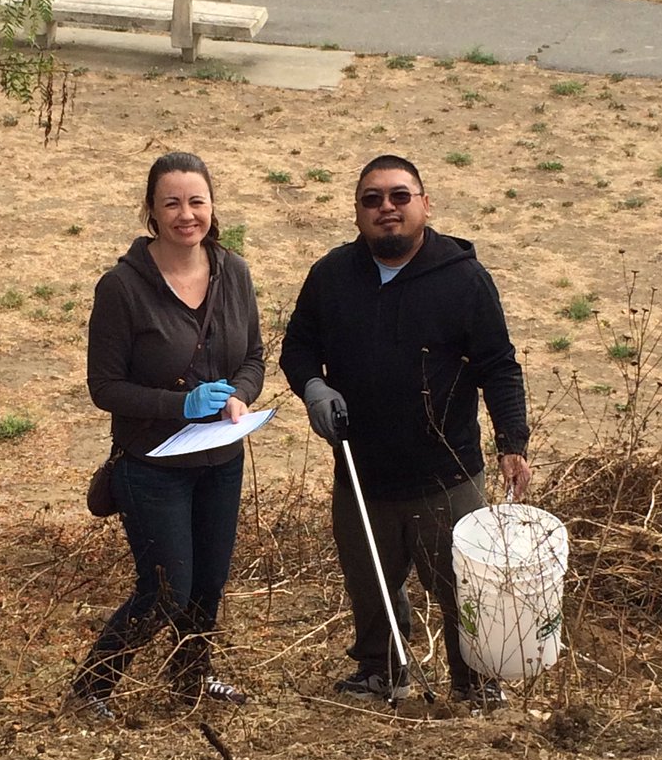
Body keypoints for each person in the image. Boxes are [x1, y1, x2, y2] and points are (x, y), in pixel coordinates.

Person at [279, 154, 530, 709]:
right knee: (370, 585)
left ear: (424, 203)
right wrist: (313, 388)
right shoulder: (331, 276)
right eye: (372, 199)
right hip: (360, 471)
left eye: (399, 196)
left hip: (447, 473)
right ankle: (380, 671)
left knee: (462, 587)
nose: (386, 208)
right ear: (357, 212)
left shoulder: (463, 278)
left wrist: (513, 442)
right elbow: (297, 347)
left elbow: (498, 364)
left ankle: (476, 682)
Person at [70, 151, 264, 719]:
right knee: (165, 589)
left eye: (196, 201)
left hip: (220, 457)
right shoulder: (122, 288)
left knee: (208, 582)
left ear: (212, 206)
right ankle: (91, 687)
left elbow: (253, 355)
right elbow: (104, 387)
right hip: (151, 464)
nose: (187, 214)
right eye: (172, 203)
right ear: (152, 211)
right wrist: (179, 403)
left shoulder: (234, 272)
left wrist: (239, 395)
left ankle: (190, 680)